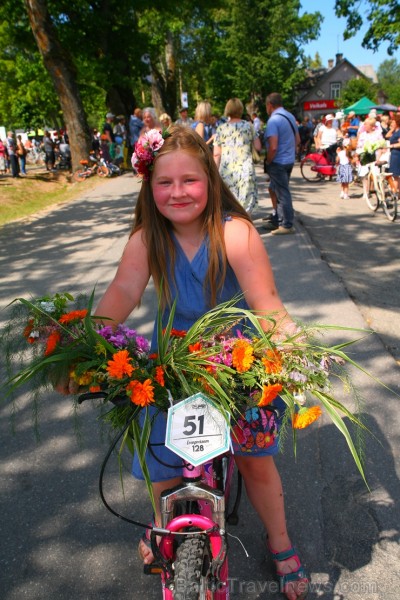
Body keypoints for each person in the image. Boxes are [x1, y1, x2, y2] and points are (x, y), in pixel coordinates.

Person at [68, 125, 308, 600]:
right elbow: (122, 292)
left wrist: (298, 357)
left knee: (256, 460)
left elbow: (269, 306)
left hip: (238, 367)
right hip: (172, 368)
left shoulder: (234, 233)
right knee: (162, 462)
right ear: (149, 187)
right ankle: (164, 526)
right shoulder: (146, 238)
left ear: (211, 181)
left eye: (190, 180)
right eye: (165, 182)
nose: (177, 192)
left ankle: (279, 542)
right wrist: (79, 346)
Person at [213, 97, 261, 213]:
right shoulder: (248, 126)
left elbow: (216, 154)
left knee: (229, 206)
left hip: (227, 172)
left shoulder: (221, 129)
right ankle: (246, 228)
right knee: (245, 208)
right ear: (240, 109)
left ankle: (231, 229)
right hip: (245, 170)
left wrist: (214, 173)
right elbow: (258, 146)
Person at [263, 92, 300, 235]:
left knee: (282, 193)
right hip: (289, 160)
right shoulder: (290, 116)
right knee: (275, 189)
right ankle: (278, 221)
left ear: (270, 105)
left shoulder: (273, 121)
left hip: (278, 162)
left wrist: (268, 161)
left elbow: (273, 146)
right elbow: (297, 140)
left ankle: (287, 224)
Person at [386, 113, 400, 194]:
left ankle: (394, 193)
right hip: (394, 153)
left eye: (393, 122)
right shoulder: (395, 131)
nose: (391, 123)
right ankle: (397, 192)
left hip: (397, 154)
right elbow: (387, 136)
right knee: (396, 175)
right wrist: (392, 129)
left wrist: (391, 146)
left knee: (395, 175)